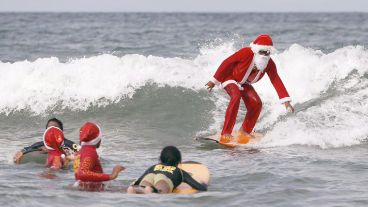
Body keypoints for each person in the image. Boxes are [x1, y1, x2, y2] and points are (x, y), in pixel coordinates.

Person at [206, 34, 294, 144]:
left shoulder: (268, 63)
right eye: (262, 52)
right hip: (230, 77)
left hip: (244, 83)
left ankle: (244, 131)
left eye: (267, 52)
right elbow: (227, 62)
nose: (264, 55)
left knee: (257, 103)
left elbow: (275, 79)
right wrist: (213, 81)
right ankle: (225, 133)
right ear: (256, 50)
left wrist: (286, 101)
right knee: (236, 96)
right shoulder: (246, 52)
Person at [127, 146, 207, 194]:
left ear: (161, 159)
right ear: (178, 161)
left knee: (143, 186)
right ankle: (152, 191)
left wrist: (133, 185)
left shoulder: (154, 166)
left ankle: (137, 190)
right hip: (164, 179)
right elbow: (199, 187)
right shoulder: (179, 172)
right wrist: (204, 185)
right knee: (160, 190)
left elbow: (139, 180)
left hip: (149, 175)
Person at [74, 122, 124, 191]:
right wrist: (111, 176)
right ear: (97, 140)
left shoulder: (81, 151)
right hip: (92, 194)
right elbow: (82, 173)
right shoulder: (90, 152)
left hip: (84, 192)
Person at [14, 118, 79, 164]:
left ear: (60, 131)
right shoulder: (43, 144)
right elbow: (30, 147)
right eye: (49, 129)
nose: (51, 131)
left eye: (54, 128)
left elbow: (80, 151)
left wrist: (52, 150)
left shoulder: (67, 143)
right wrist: (22, 152)